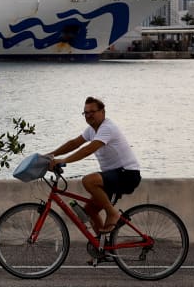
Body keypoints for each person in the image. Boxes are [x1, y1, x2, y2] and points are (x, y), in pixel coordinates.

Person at [47, 97, 141, 233]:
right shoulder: (91, 130)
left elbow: (88, 149)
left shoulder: (107, 128)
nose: (89, 115)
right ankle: (102, 249)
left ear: (103, 112)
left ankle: (112, 213)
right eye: (86, 112)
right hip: (113, 175)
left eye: (92, 111)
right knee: (90, 211)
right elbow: (74, 143)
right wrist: (51, 155)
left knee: (89, 181)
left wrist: (63, 161)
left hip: (127, 174)